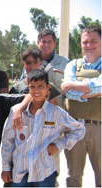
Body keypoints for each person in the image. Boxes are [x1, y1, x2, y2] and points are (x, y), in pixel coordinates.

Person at [1, 69, 86, 187]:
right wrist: (5, 167)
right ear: (28, 88)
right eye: (33, 87)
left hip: (44, 172)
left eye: (41, 86)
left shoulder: (56, 113)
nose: (36, 91)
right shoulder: (16, 112)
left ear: (48, 88)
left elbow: (79, 129)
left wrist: (59, 145)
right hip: (20, 171)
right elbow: (8, 141)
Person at [61, 25, 101, 187]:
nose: (89, 45)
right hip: (74, 127)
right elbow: (66, 92)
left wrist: (74, 85)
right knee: (73, 176)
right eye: (85, 42)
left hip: (98, 128)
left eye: (93, 41)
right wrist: (92, 92)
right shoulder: (72, 65)